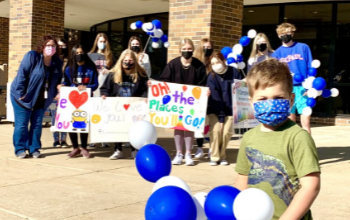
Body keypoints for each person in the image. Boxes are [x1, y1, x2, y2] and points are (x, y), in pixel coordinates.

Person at [234, 59, 320, 220]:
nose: (270, 104)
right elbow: (242, 180)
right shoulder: (248, 138)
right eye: (262, 99)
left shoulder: (298, 137)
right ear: (251, 102)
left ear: (291, 99)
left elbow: (311, 186)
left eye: (278, 97)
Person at [10, 35, 63, 158]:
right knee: (22, 124)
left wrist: (58, 90)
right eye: (48, 45)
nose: (50, 48)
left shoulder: (57, 62)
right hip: (23, 97)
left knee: (37, 124)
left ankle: (34, 148)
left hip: (41, 99)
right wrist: (21, 94)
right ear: (42, 46)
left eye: (53, 46)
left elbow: (58, 79)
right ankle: (20, 149)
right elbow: (22, 75)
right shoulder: (32, 56)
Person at [156, 38, 207, 166]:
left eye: (189, 49)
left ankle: (188, 153)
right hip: (176, 101)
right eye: (184, 49)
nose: (187, 51)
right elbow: (164, 81)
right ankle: (179, 153)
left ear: (193, 50)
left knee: (189, 127)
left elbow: (203, 83)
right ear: (180, 50)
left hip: (192, 102)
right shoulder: (173, 64)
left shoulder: (199, 66)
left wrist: (205, 92)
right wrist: (153, 85)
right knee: (178, 127)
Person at [100, 49, 148, 160]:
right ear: (121, 61)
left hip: (135, 107)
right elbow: (105, 88)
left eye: (130, 60)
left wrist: (145, 98)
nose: (127, 63)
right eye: (125, 60)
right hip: (117, 108)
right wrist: (104, 95)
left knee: (134, 129)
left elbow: (145, 89)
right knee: (118, 127)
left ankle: (134, 150)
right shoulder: (113, 74)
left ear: (134, 62)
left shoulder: (141, 75)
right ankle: (118, 150)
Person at [272, 23, 313, 134]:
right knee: (290, 122)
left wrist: (310, 87)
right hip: (287, 89)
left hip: (303, 88)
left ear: (293, 33)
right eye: (283, 33)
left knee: (306, 123)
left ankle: (308, 148)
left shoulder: (303, 47)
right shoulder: (277, 53)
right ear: (279, 35)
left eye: (288, 33)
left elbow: (311, 67)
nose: (286, 35)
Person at [206, 52, 242, 166]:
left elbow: (240, 89)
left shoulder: (234, 72)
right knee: (216, 130)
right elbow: (215, 98)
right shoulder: (211, 77)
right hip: (215, 110)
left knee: (226, 132)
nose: (216, 65)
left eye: (217, 62)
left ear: (223, 61)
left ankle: (222, 156)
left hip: (231, 110)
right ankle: (214, 156)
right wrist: (221, 119)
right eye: (213, 64)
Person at [62, 45, 98, 158]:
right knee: (72, 122)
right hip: (72, 100)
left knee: (83, 122)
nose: (79, 55)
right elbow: (66, 83)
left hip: (86, 100)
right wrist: (61, 87)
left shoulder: (91, 68)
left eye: (81, 52)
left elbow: (95, 84)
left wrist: (86, 88)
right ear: (73, 55)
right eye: (76, 53)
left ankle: (84, 147)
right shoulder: (69, 69)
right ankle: (75, 148)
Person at [88, 33, 116, 147]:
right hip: (95, 88)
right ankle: (94, 138)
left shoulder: (110, 56)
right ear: (96, 42)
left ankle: (104, 138)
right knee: (94, 113)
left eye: (104, 41)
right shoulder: (90, 55)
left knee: (105, 113)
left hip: (106, 89)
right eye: (100, 41)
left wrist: (109, 71)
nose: (102, 43)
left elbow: (116, 69)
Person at [193, 38, 214, 158]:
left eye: (209, 47)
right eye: (204, 47)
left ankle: (212, 148)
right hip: (198, 97)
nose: (207, 49)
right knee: (199, 123)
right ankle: (199, 147)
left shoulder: (214, 61)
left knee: (210, 123)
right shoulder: (195, 62)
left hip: (212, 96)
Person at [50, 38, 68, 148]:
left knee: (65, 116)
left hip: (66, 91)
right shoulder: (52, 60)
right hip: (54, 92)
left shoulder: (69, 60)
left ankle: (64, 140)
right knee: (55, 116)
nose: (61, 48)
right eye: (59, 46)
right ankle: (56, 140)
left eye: (63, 45)